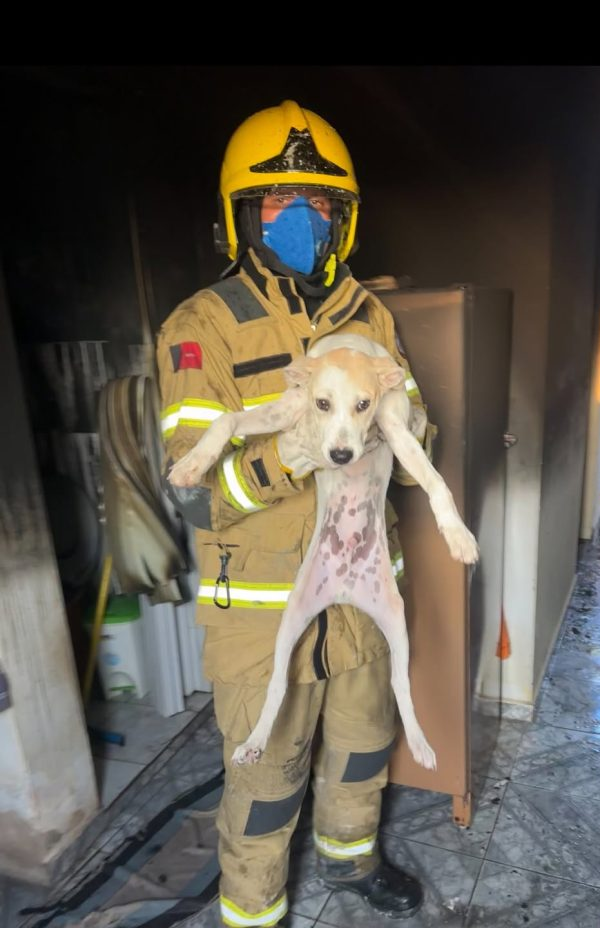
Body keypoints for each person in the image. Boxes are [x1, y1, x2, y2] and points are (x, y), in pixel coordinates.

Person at [156, 100, 435, 927]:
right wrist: (292, 454)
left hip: (360, 590)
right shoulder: (200, 326)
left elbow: (414, 427)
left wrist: (410, 428)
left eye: (319, 204)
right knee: (267, 780)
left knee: (360, 749)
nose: (300, 219)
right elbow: (203, 485)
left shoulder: (369, 315)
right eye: (277, 202)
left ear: (344, 220)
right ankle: (254, 910)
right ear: (240, 216)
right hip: (264, 614)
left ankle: (352, 867)